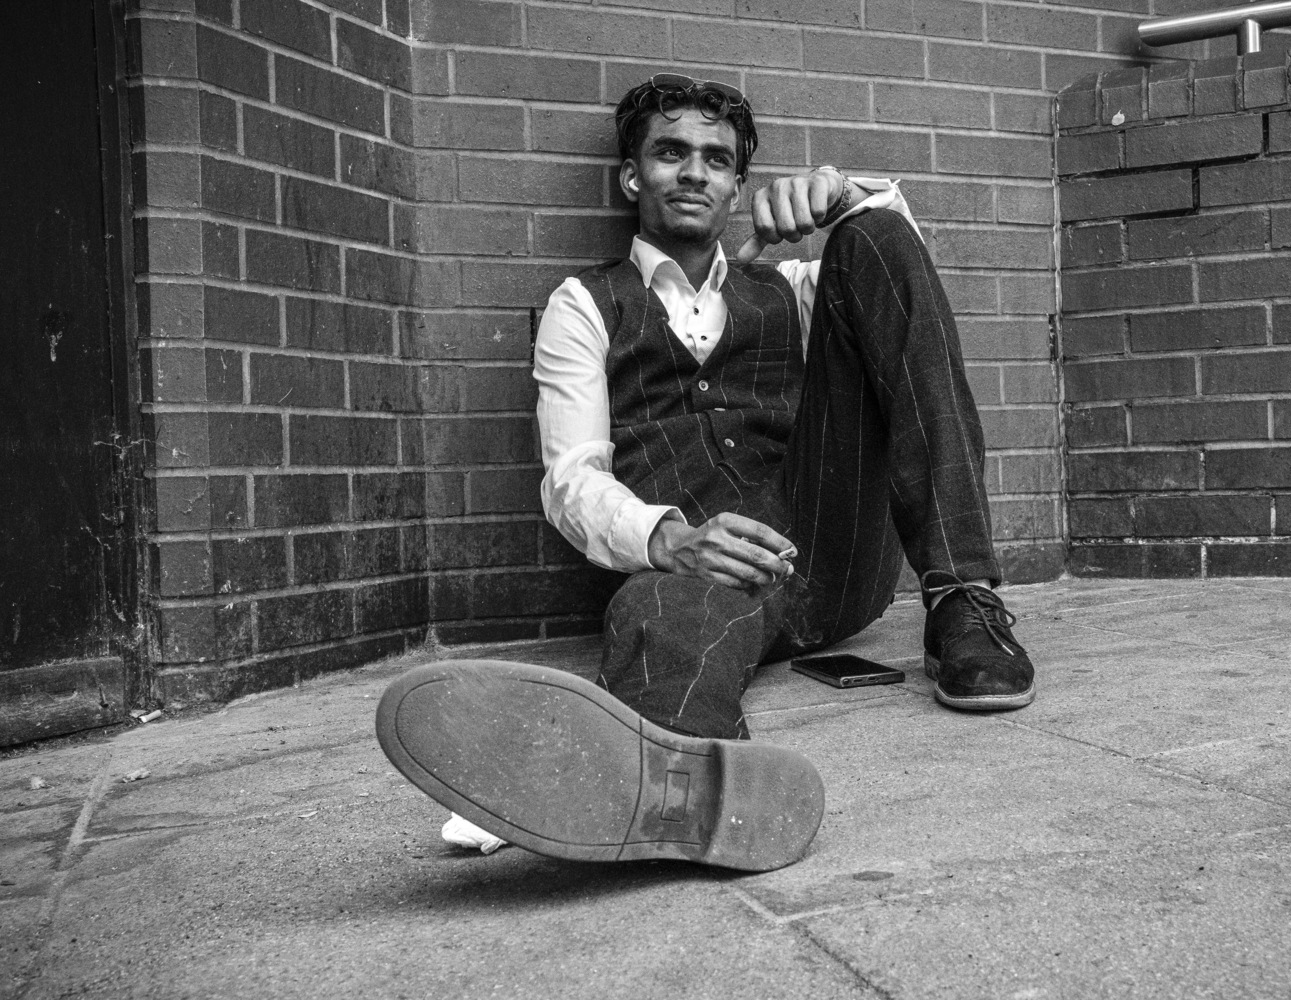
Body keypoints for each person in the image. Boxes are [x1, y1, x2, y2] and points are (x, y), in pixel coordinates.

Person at [377, 74, 1037, 872]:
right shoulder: (584, 305)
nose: (694, 172)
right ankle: (674, 788)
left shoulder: (790, 289)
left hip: (827, 544)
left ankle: (964, 599)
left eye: (716, 159)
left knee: (875, 235)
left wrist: (849, 200)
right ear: (632, 176)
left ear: (736, 185)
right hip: (702, 573)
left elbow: (908, 300)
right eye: (671, 153)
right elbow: (572, 478)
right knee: (652, 609)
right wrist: (669, 539)